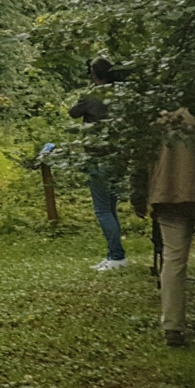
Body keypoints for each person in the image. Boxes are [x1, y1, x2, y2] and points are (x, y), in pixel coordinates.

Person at [132, 108, 195, 347]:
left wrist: (139, 198)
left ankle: (172, 326)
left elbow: (138, 164)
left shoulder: (154, 123)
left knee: (174, 258)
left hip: (166, 196)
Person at [71, 57, 128, 271]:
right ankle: (114, 254)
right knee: (111, 208)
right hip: (117, 156)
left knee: (103, 210)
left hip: (97, 156)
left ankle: (116, 255)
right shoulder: (121, 95)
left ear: (94, 75)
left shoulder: (91, 95)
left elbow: (73, 112)